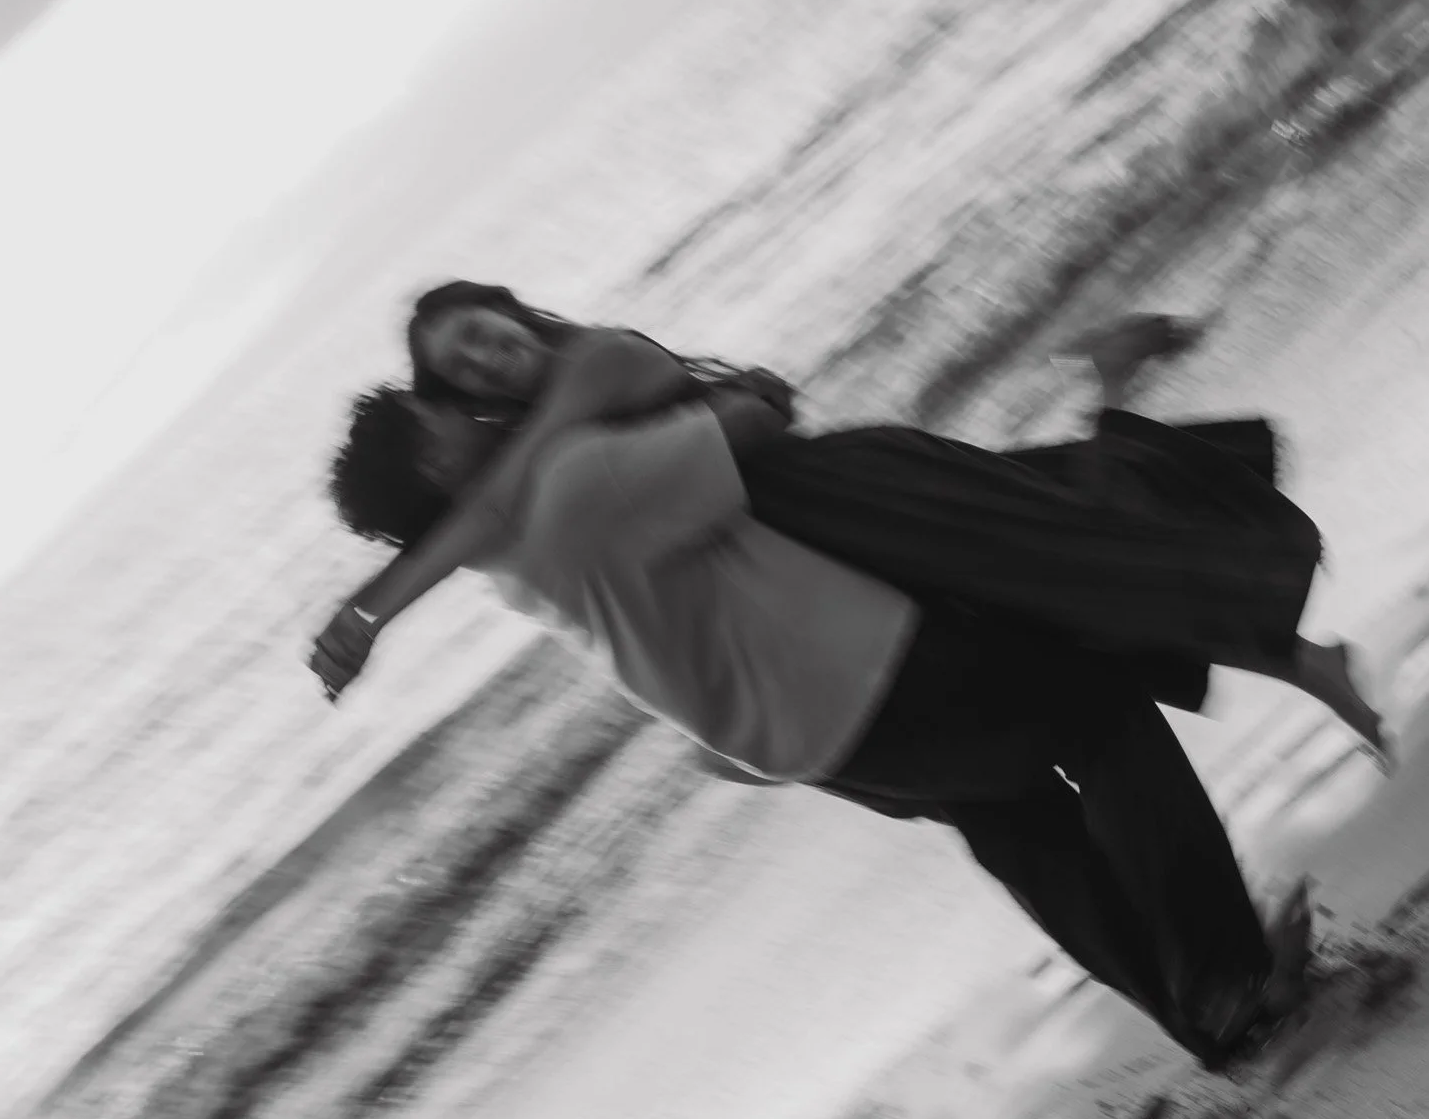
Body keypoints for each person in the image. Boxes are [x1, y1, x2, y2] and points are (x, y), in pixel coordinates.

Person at [312, 365, 1319, 1070]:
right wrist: (727, 391)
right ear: (434, 461)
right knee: (1099, 717)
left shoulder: (504, 563)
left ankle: (1213, 1016)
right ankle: (1225, 978)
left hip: (802, 737)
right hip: (865, 672)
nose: (465, 408)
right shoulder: (568, 491)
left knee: (1019, 824)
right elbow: (753, 426)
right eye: (439, 412)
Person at [312, 283, 1383, 755]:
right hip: (810, 533)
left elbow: (495, 503)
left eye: (478, 331)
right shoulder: (548, 451)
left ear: (507, 308)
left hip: (838, 492)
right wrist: (370, 612)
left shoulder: (591, 365)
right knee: (1056, 577)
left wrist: (372, 610)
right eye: (459, 367)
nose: (482, 357)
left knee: (1070, 553)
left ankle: (1116, 383)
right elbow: (495, 510)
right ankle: (1302, 661)